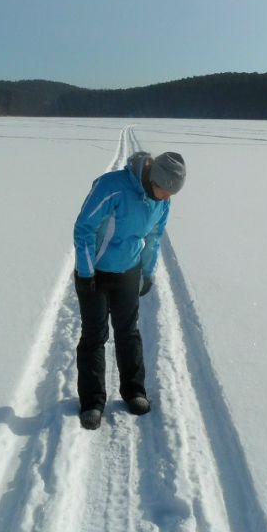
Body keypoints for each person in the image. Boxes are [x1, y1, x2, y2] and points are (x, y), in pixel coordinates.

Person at [72, 149, 186, 430]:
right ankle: (92, 402)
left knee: (128, 332)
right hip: (95, 272)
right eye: (165, 190)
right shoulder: (112, 186)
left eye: (172, 193)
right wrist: (86, 272)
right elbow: (83, 228)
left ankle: (134, 390)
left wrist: (147, 271)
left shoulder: (162, 201)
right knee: (95, 335)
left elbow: (154, 235)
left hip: (128, 271)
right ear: (153, 180)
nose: (167, 197)